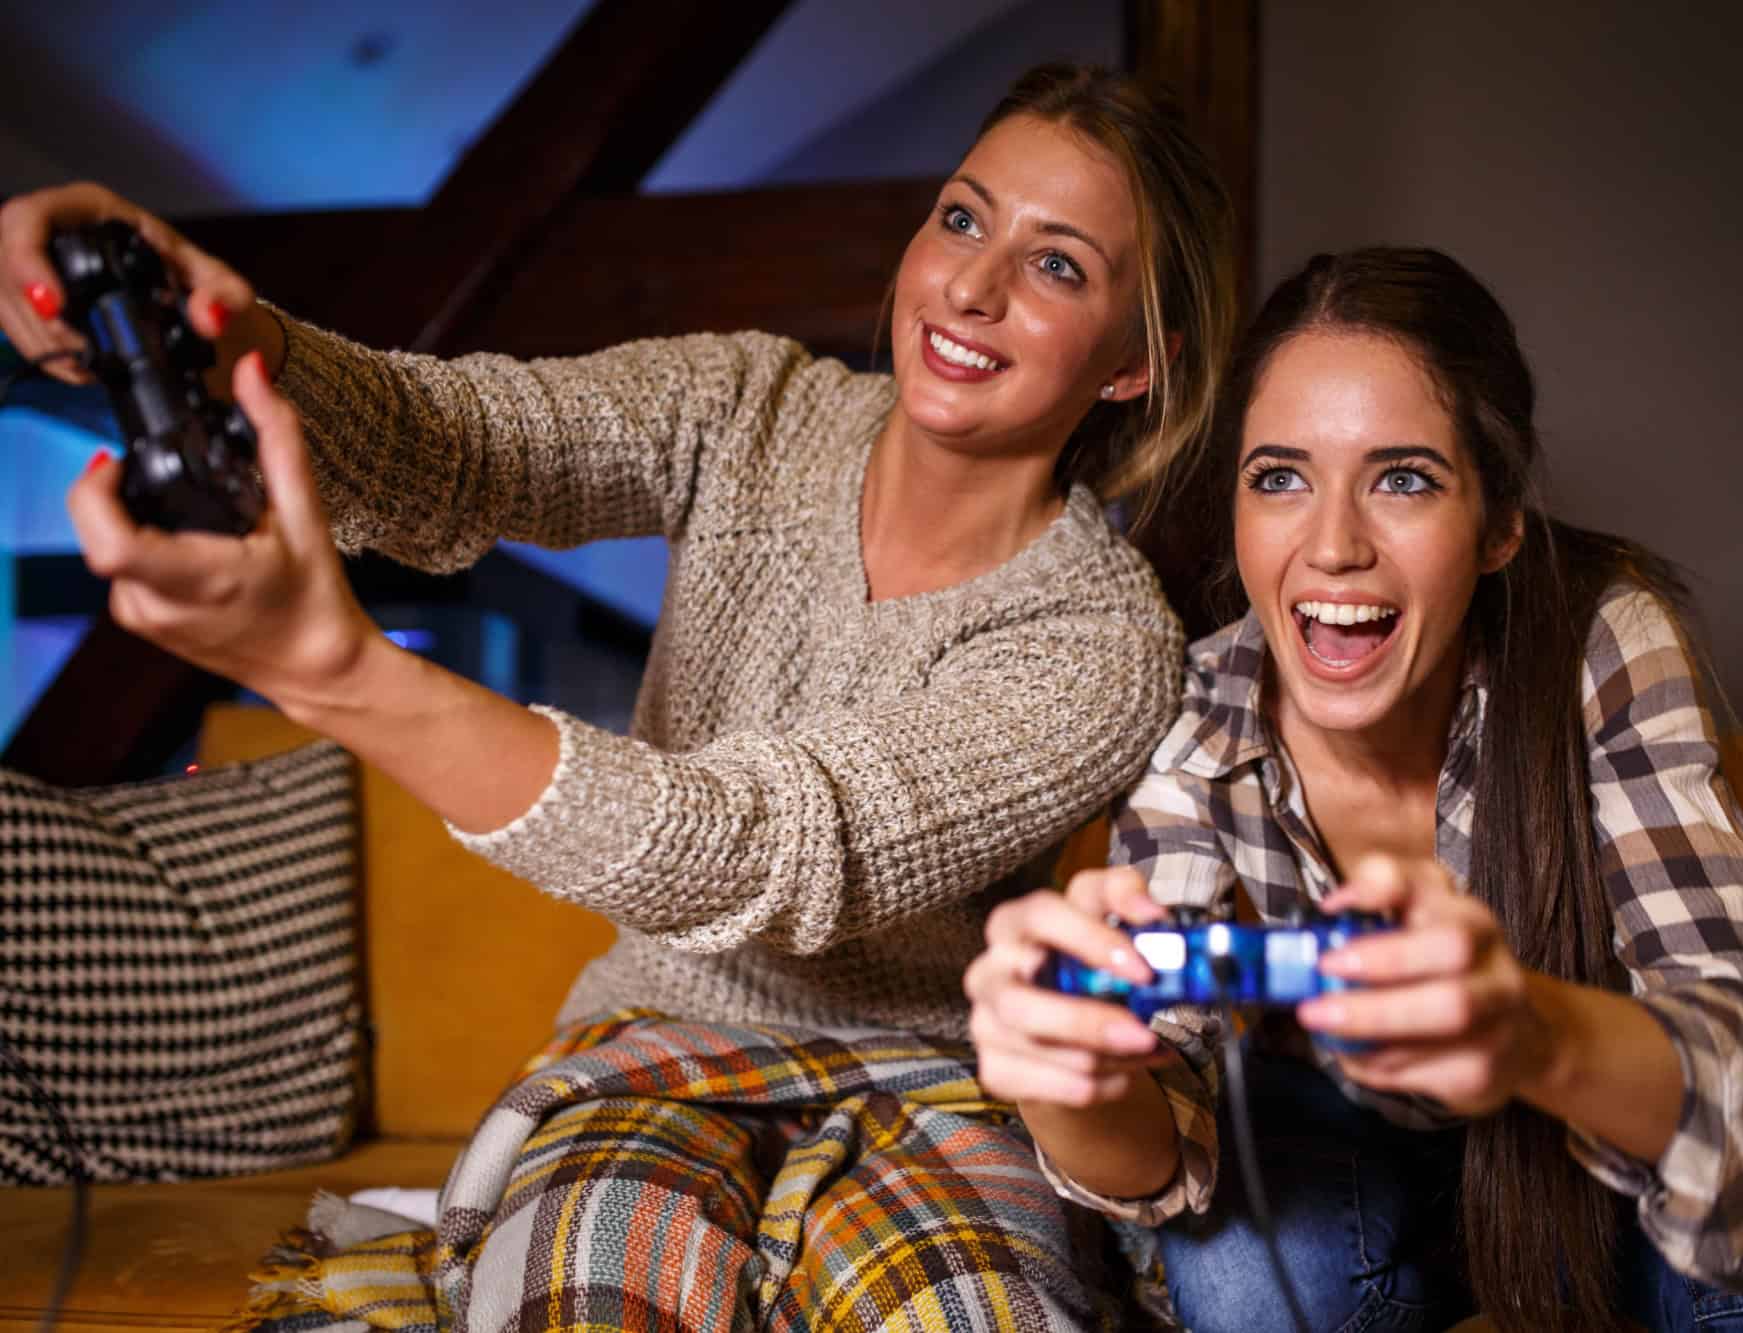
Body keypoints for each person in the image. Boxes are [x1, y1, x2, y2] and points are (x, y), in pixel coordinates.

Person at [0, 64, 1238, 1330]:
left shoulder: (1100, 638)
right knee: (580, 1295)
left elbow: (771, 847)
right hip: (651, 1043)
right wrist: (225, 332)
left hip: (931, 1083)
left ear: (1134, 365)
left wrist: (337, 673)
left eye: (1059, 266)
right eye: (963, 218)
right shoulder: (749, 404)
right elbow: (462, 445)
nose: (970, 286)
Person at [964, 247, 1743, 1332]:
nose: (1333, 545)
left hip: (1593, 1120)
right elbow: (1155, 1143)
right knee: (1248, 1285)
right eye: (1278, 477)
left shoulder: (1602, 642)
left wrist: (1530, 1033)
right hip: (1341, 1131)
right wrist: (1073, 1078)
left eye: (1401, 478)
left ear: (1495, 527)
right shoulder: (1199, 705)